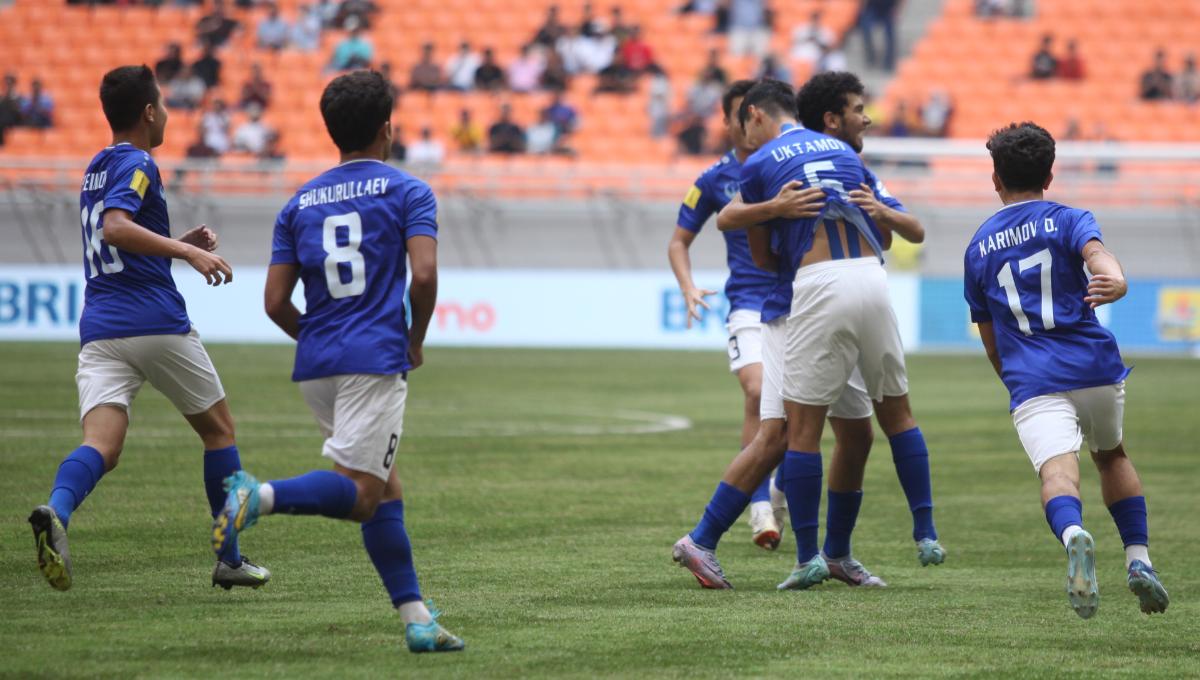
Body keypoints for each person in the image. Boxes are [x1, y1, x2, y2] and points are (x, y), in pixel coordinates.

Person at [212, 69, 464, 652]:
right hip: (374, 357)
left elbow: (275, 302)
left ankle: (417, 620)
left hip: (317, 363)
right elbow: (423, 275)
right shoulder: (408, 191)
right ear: (387, 128)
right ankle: (259, 495)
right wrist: (414, 338)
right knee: (362, 495)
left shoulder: (298, 202)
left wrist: (318, 334)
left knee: (385, 488)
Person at [673, 77, 942, 591]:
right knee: (782, 432)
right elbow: (735, 241)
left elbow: (763, 248)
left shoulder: (772, 163)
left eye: (736, 119)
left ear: (754, 116)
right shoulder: (818, 161)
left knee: (855, 433)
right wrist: (783, 217)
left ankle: (833, 553)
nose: (734, 130)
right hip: (784, 308)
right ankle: (710, 540)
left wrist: (785, 220)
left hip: (812, 302)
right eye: (858, 110)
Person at [28, 65, 268, 593]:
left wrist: (174, 239)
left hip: (101, 327)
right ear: (149, 112)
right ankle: (229, 557)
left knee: (102, 446)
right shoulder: (139, 162)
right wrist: (185, 250)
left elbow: (116, 238)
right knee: (219, 432)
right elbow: (117, 227)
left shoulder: (97, 166)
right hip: (154, 322)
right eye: (164, 105)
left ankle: (57, 510)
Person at [963, 122, 1169, 618]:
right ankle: (1139, 559)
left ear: (995, 178)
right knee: (1112, 456)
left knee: (1059, 473)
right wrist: (1115, 277)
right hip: (1095, 367)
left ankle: (1074, 532)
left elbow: (991, 340)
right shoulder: (1069, 218)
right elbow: (1097, 255)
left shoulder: (977, 248)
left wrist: (1017, 382)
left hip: (1034, 379)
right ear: (1050, 174)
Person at [669, 80, 822, 552]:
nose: (747, 123)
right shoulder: (714, 179)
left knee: (802, 415)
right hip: (748, 303)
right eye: (738, 115)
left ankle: (774, 491)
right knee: (757, 392)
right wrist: (689, 286)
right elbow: (679, 240)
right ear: (730, 120)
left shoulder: (788, 162)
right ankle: (758, 506)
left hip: (797, 298)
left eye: (751, 114)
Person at [858, 0, 898, 71]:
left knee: (889, 34)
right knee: (865, 28)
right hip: (872, 8)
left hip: (888, 8)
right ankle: (871, 55)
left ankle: (888, 61)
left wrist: (897, 9)